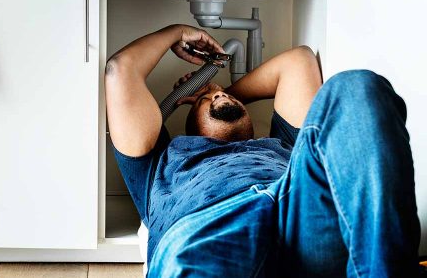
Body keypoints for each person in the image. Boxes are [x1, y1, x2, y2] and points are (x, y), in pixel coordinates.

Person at [105, 24, 420, 277]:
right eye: (204, 102)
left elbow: (298, 61)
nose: (217, 98)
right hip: (208, 228)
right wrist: (176, 32)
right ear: (189, 126)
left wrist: (218, 92)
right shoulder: (162, 160)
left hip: (297, 209)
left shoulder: (282, 144)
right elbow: (120, 70)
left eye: (220, 97)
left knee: (356, 88)